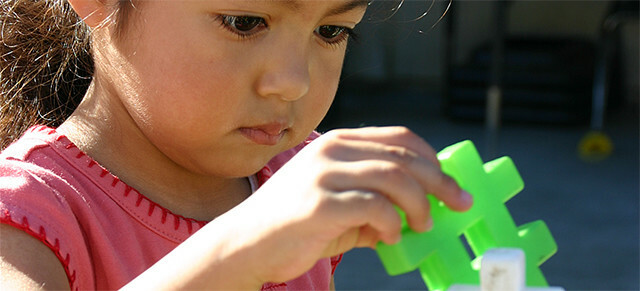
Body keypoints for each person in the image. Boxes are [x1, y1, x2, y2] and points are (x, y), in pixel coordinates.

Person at [0, 0, 473, 290]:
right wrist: (243, 248)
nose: (293, 82)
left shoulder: (295, 183)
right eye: (245, 22)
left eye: (331, 31)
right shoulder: (30, 216)